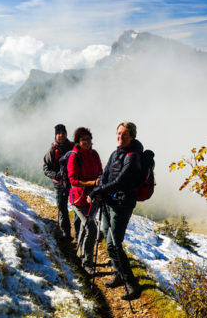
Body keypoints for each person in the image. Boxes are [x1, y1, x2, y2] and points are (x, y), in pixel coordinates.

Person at [88, 121, 143, 301]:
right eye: (118, 133)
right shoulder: (115, 153)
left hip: (122, 205)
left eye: (124, 134)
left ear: (132, 137)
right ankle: (119, 274)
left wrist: (98, 191)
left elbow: (120, 181)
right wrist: (101, 190)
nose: (120, 137)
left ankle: (132, 284)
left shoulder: (133, 157)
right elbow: (105, 175)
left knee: (115, 245)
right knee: (110, 243)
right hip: (109, 202)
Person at [67, 127, 102, 275]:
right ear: (78, 142)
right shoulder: (74, 157)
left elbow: (101, 171)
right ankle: (86, 262)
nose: (87, 142)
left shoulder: (94, 154)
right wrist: (92, 183)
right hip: (79, 199)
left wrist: (99, 186)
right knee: (91, 228)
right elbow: (73, 180)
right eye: (83, 139)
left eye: (88, 139)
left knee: (84, 227)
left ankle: (79, 255)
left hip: (93, 197)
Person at [43, 124, 74, 239]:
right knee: (62, 208)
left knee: (76, 207)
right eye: (58, 133)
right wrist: (56, 175)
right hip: (59, 183)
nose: (61, 135)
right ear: (55, 136)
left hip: (73, 183)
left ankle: (78, 231)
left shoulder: (73, 147)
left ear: (66, 134)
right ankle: (66, 233)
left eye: (63, 133)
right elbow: (46, 168)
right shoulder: (52, 150)